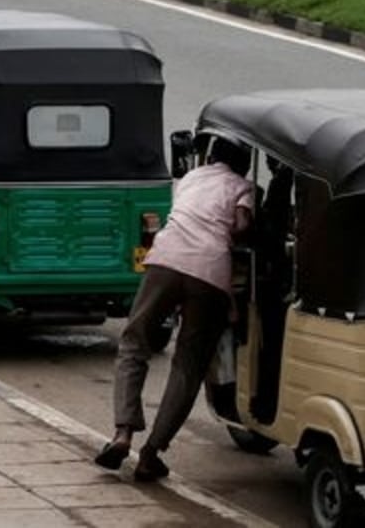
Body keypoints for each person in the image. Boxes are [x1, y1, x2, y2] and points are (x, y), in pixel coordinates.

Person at [96, 135, 253, 483]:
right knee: (189, 363)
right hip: (210, 272)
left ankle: (122, 433)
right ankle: (151, 454)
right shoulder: (244, 186)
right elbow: (242, 226)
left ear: (211, 156)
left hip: (166, 260)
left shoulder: (192, 178)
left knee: (134, 342)